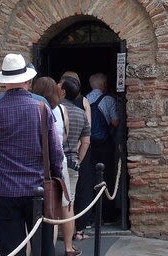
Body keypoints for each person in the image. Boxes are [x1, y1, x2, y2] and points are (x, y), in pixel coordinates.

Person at [0, 53, 64, 256]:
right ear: (27, 80)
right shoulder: (42, 108)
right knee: (44, 248)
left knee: (11, 249)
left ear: (4, 81)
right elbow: (55, 151)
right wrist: (57, 174)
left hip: (4, 190)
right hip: (37, 188)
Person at [31, 77, 80, 256]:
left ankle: (41, 249)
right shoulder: (61, 110)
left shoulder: (33, 108)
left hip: (38, 164)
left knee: (41, 210)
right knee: (64, 206)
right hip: (59, 162)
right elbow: (64, 137)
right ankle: (67, 247)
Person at [60, 77, 91, 250]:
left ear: (63, 91)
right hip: (73, 161)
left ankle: (51, 241)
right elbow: (86, 141)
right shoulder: (80, 113)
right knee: (69, 203)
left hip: (57, 161)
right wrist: (79, 158)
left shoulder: (54, 110)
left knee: (53, 204)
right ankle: (69, 245)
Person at [85, 73, 120, 223]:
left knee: (89, 177)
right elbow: (115, 122)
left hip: (87, 144)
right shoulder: (108, 100)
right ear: (104, 84)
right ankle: (107, 214)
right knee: (106, 178)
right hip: (104, 144)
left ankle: (90, 214)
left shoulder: (84, 99)